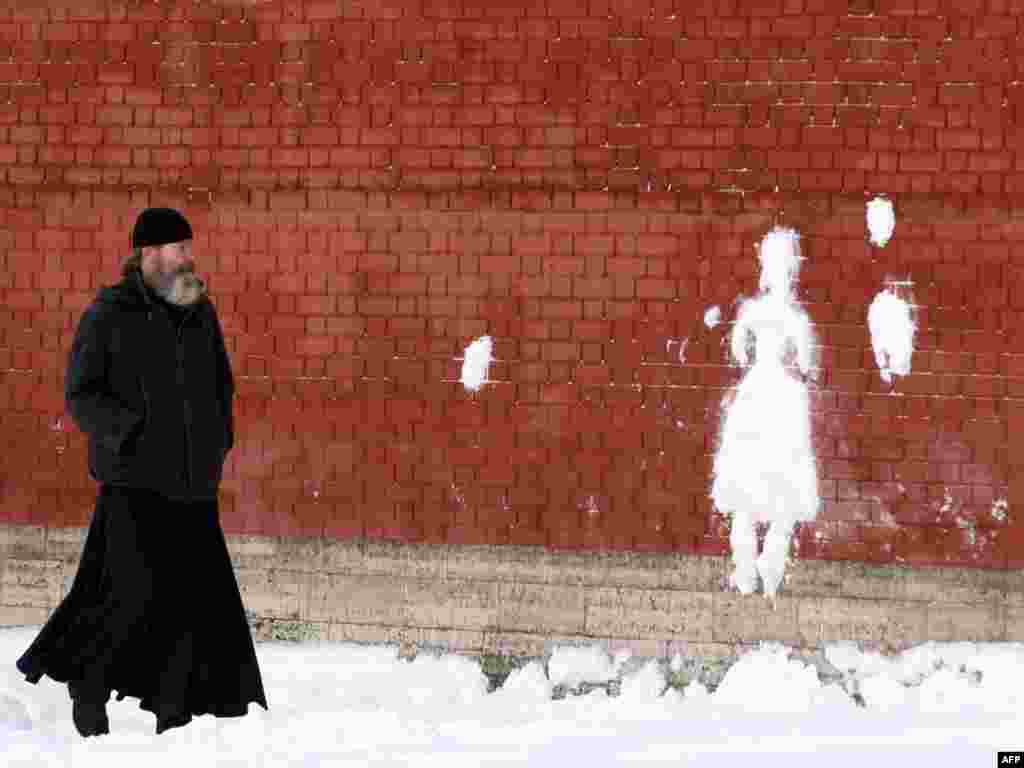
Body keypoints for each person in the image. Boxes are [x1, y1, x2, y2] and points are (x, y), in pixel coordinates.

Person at [15, 208, 268, 737]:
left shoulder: (200, 312)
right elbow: (82, 394)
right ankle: (88, 684)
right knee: (120, 596)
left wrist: (218, 440)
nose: (187, 257)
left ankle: (175, 704)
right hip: (133, 483)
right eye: (178, 248)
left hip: (194, 485)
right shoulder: (110, 312)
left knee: (192, 599)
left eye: (187, 247)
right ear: (148, 253)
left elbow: (222, 387)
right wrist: (129, 433)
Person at [710, 227, 820, 598]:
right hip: (786, 400)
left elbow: (739, 354)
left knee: (746, 486)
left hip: (756, 393)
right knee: (783, 488)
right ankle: (770, 567)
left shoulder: (750, 312)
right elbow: (806, 364)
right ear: (794, 268)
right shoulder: (798, 319)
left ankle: (745, 572)